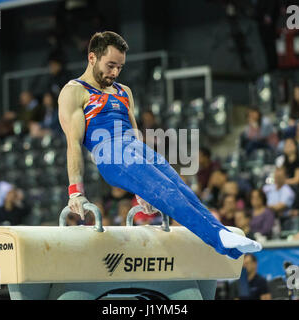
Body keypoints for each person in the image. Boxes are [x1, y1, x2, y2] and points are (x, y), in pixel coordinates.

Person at [58, 31, 261, 259]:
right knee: (164, 191)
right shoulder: (75, 91)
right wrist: (76, 192)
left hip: (135, 148)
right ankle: (218, 237)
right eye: (111, 65)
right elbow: (73, 144)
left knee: (179, 187)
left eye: (120, 67)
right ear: (92, 58)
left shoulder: (124, 92)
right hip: (110, 153)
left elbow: (134, 134)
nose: (115, 72)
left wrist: (141, 191)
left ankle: (225, 239)